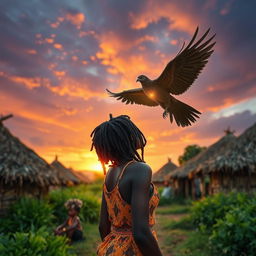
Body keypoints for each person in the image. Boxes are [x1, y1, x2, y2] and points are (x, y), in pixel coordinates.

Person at [90, 115, 162, 256]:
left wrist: (114, 248)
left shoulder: (110, 173)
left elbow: (103, 226)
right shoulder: (140, 169)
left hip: (110, 249)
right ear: (125, 139)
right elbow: (141, 233)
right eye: (132, 131)